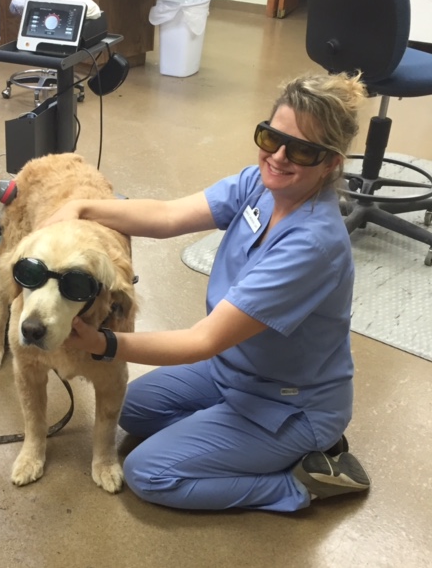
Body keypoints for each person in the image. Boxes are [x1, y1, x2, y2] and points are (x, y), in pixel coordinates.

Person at [45, 73, 372, 511]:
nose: (277, 156)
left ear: (331, 162)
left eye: (300, 149)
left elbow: (203, 340)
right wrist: (82, 207)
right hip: (232, 370)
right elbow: (167, 216)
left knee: (149, 472)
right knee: (133, 408)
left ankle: (301, 483)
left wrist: (102, 343)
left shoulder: (312, 244)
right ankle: (233, 441)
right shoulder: (262, 184)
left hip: (288, 402)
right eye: (270, 137)